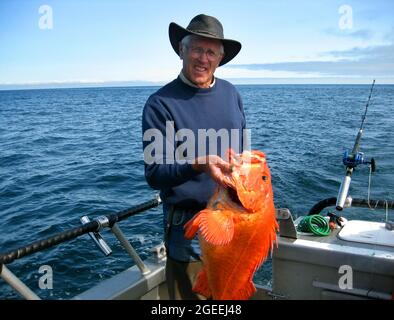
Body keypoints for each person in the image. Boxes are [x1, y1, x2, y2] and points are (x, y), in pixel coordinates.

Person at [142, 14, 246, 299]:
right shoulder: (159, 104)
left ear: (220, 58)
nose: (204, 58)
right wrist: (197, 163)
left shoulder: (232, 94)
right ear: (181, 51)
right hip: (189, 230)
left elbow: (243, 153)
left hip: (235, 224)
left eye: (211, 51)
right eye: (197, 49)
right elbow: (154, 174)